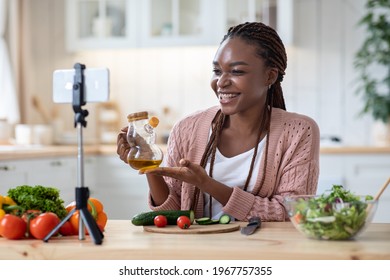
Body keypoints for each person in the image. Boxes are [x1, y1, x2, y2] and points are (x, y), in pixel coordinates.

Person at [117, 22, 320, 222]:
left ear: (270, 76)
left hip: (263, 251)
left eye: (237, 71)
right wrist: (148, 164)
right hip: (200, 252)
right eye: (217, 71)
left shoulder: (299, 131)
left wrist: (207, 184)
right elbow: (174, 213)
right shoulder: (186, 129)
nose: (221, 82)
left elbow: (291, 212)